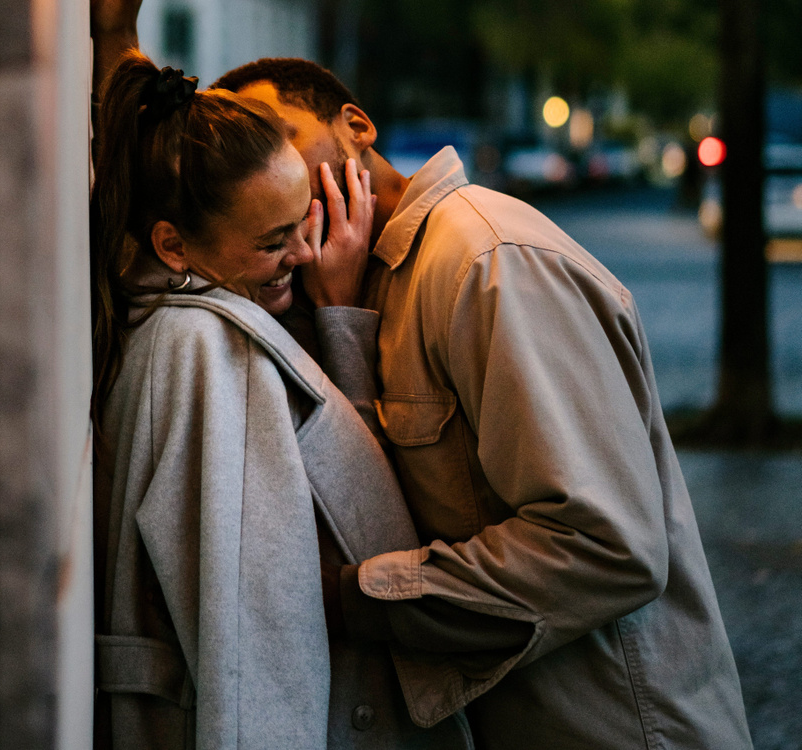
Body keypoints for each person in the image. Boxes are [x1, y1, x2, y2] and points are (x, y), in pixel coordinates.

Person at [213, 58, 754, 749]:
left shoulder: (485, 260)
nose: (269, 171)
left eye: (277, 134)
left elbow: (606, 544)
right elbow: (390, 510)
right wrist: (340, 317)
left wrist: (352, 598)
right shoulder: (352, 280)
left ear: (356, 126)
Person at [89, 48, 475, 748]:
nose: (305, 251)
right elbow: (254, 645)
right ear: (173, 245)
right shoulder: (208, 352)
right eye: (274, 241)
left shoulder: (192, 321)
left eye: (303, 220)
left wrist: (337, 316)